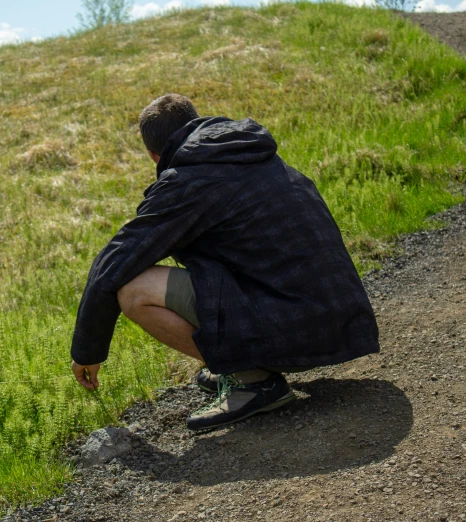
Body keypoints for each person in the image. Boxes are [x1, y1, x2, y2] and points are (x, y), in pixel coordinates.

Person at [70, 93, 379, 431]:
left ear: (152, 155)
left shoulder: (190, 179)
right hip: (344, 320)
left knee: (134, 290)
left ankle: (253, 380)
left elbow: (115, 263)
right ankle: (244, 365)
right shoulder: (254, 153)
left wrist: (87, 351)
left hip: (299, 330)